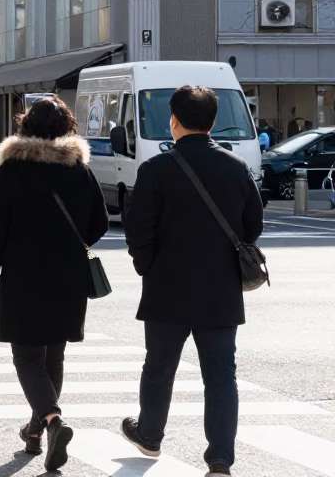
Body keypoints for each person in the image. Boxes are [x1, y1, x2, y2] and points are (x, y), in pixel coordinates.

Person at [121, 86, 263, 476]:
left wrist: (147, 266)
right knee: (220, 374)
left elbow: (138, 230)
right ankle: (219, 458)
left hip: (167, 286)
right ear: (213, 120)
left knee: (159, 366)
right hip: (220, 288)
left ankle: (149, 435)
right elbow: (254, 226)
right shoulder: (236, 168)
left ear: (174, 119)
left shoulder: (154, 169)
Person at [0, 96, 108, 472]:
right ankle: (36, 431)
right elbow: (98, 223)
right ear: (66, 127)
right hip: (67, 274)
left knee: (27, 357)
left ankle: (52, 421)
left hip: (24, 273)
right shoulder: (79, 170)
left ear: (25, 126)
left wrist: (1, 253)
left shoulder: (11, 170)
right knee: (54, 355)